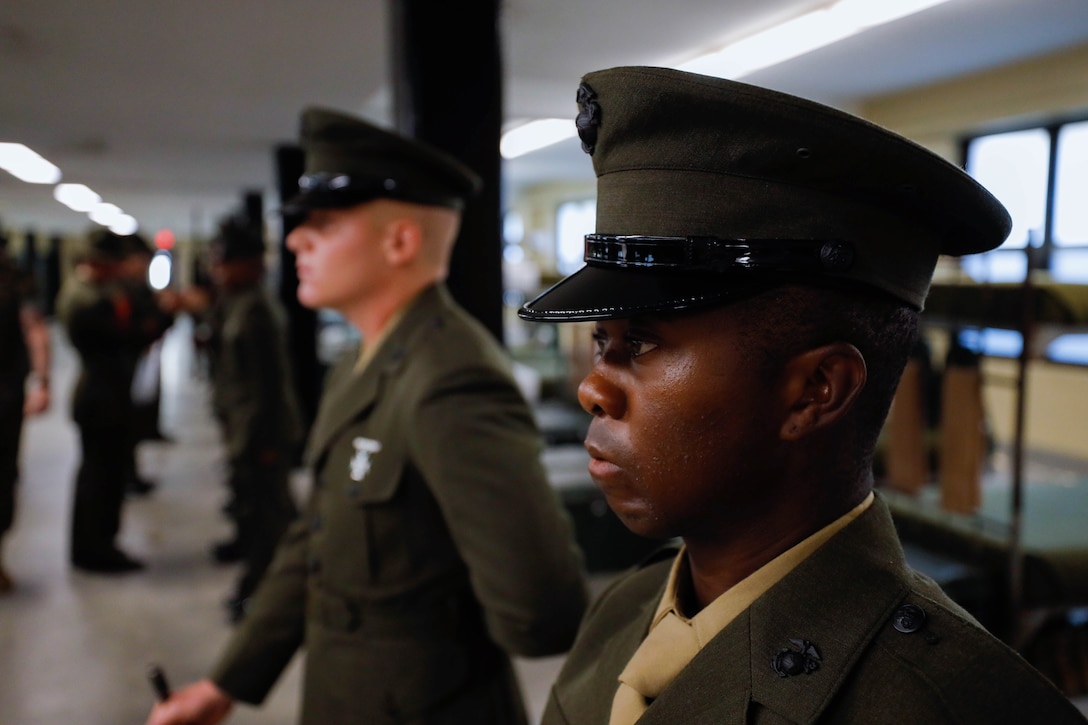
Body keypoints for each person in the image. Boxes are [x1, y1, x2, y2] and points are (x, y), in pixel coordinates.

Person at [517, 66, 1088, 725]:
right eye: (601, 339)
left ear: (816, 391)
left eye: (642, 343)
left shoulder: (954, 706)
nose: (592, 386)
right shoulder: (625, 609)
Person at [147, 107, 589, 725]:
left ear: (401, 240)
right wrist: (230, 681)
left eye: (323, 224)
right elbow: (316, 542)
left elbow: (542, 612)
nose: (297, 240)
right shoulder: (365, 359)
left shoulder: (450, 379)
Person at [205, 214, 302, 623]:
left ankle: (266, 595)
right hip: (243, 428)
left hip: (261, 433)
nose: (218, 268)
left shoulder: (258, 310)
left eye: (227, 261)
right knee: (251, 510)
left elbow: (268, 387)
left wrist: (262, 442)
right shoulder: (236, 302)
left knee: (270, 520)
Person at [56, 230, 171, 573]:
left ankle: (100, 543)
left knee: (107, 476)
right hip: (99, 397)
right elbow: (130, 335)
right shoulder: (86, 300)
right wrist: (164, 318)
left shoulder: (99, 292)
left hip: (109, 394)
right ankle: (94, 548)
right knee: (99, 479)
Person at [0, 238, 51, 592]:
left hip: (5, 394)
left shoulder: (13, 279)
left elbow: (34, 330)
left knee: (3, 477)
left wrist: (42, 381)